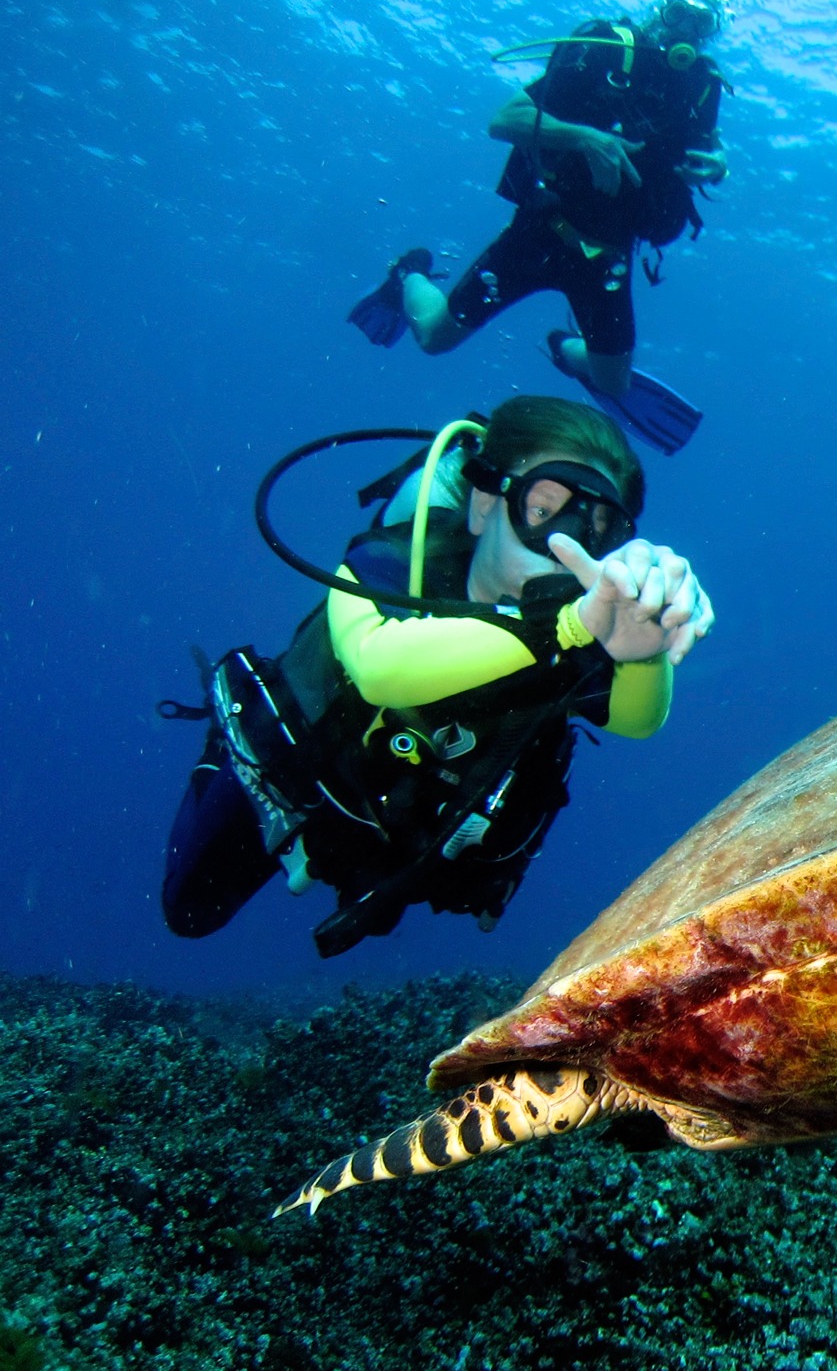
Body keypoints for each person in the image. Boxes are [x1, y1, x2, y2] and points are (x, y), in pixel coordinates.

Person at [162, 395, 714, 957]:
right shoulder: (389, 564)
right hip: (294, 779)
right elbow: (379, 669)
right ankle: (220, 753)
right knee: (189, 911)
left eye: (596, 528)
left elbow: (636, 720)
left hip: (404, 830)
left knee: (379, 918)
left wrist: (643, 649)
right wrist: (565, 627)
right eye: (543, 511)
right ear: (483, 505)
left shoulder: (589, 620)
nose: (562, 546)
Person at [347, 0, 730, 449]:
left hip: (609, 255)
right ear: (658, 9)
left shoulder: (703, 86)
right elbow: (505, 118)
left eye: (701, 24)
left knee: (613, 384)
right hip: (541, 233)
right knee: (433, 338)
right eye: (677, 14)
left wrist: (719, 163)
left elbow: (709, 143)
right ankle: (407, 274)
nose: (684, 32)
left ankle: (563, 348)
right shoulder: (606, 48)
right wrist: (586, 138)